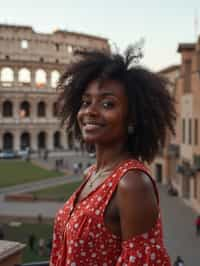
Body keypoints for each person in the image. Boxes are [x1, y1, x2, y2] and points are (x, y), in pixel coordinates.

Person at [50, 46, 176, 265]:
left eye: (107, 104)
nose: (90, 111)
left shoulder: (132, 183)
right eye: (86, 102)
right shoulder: (93, 174)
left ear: (132, 118)